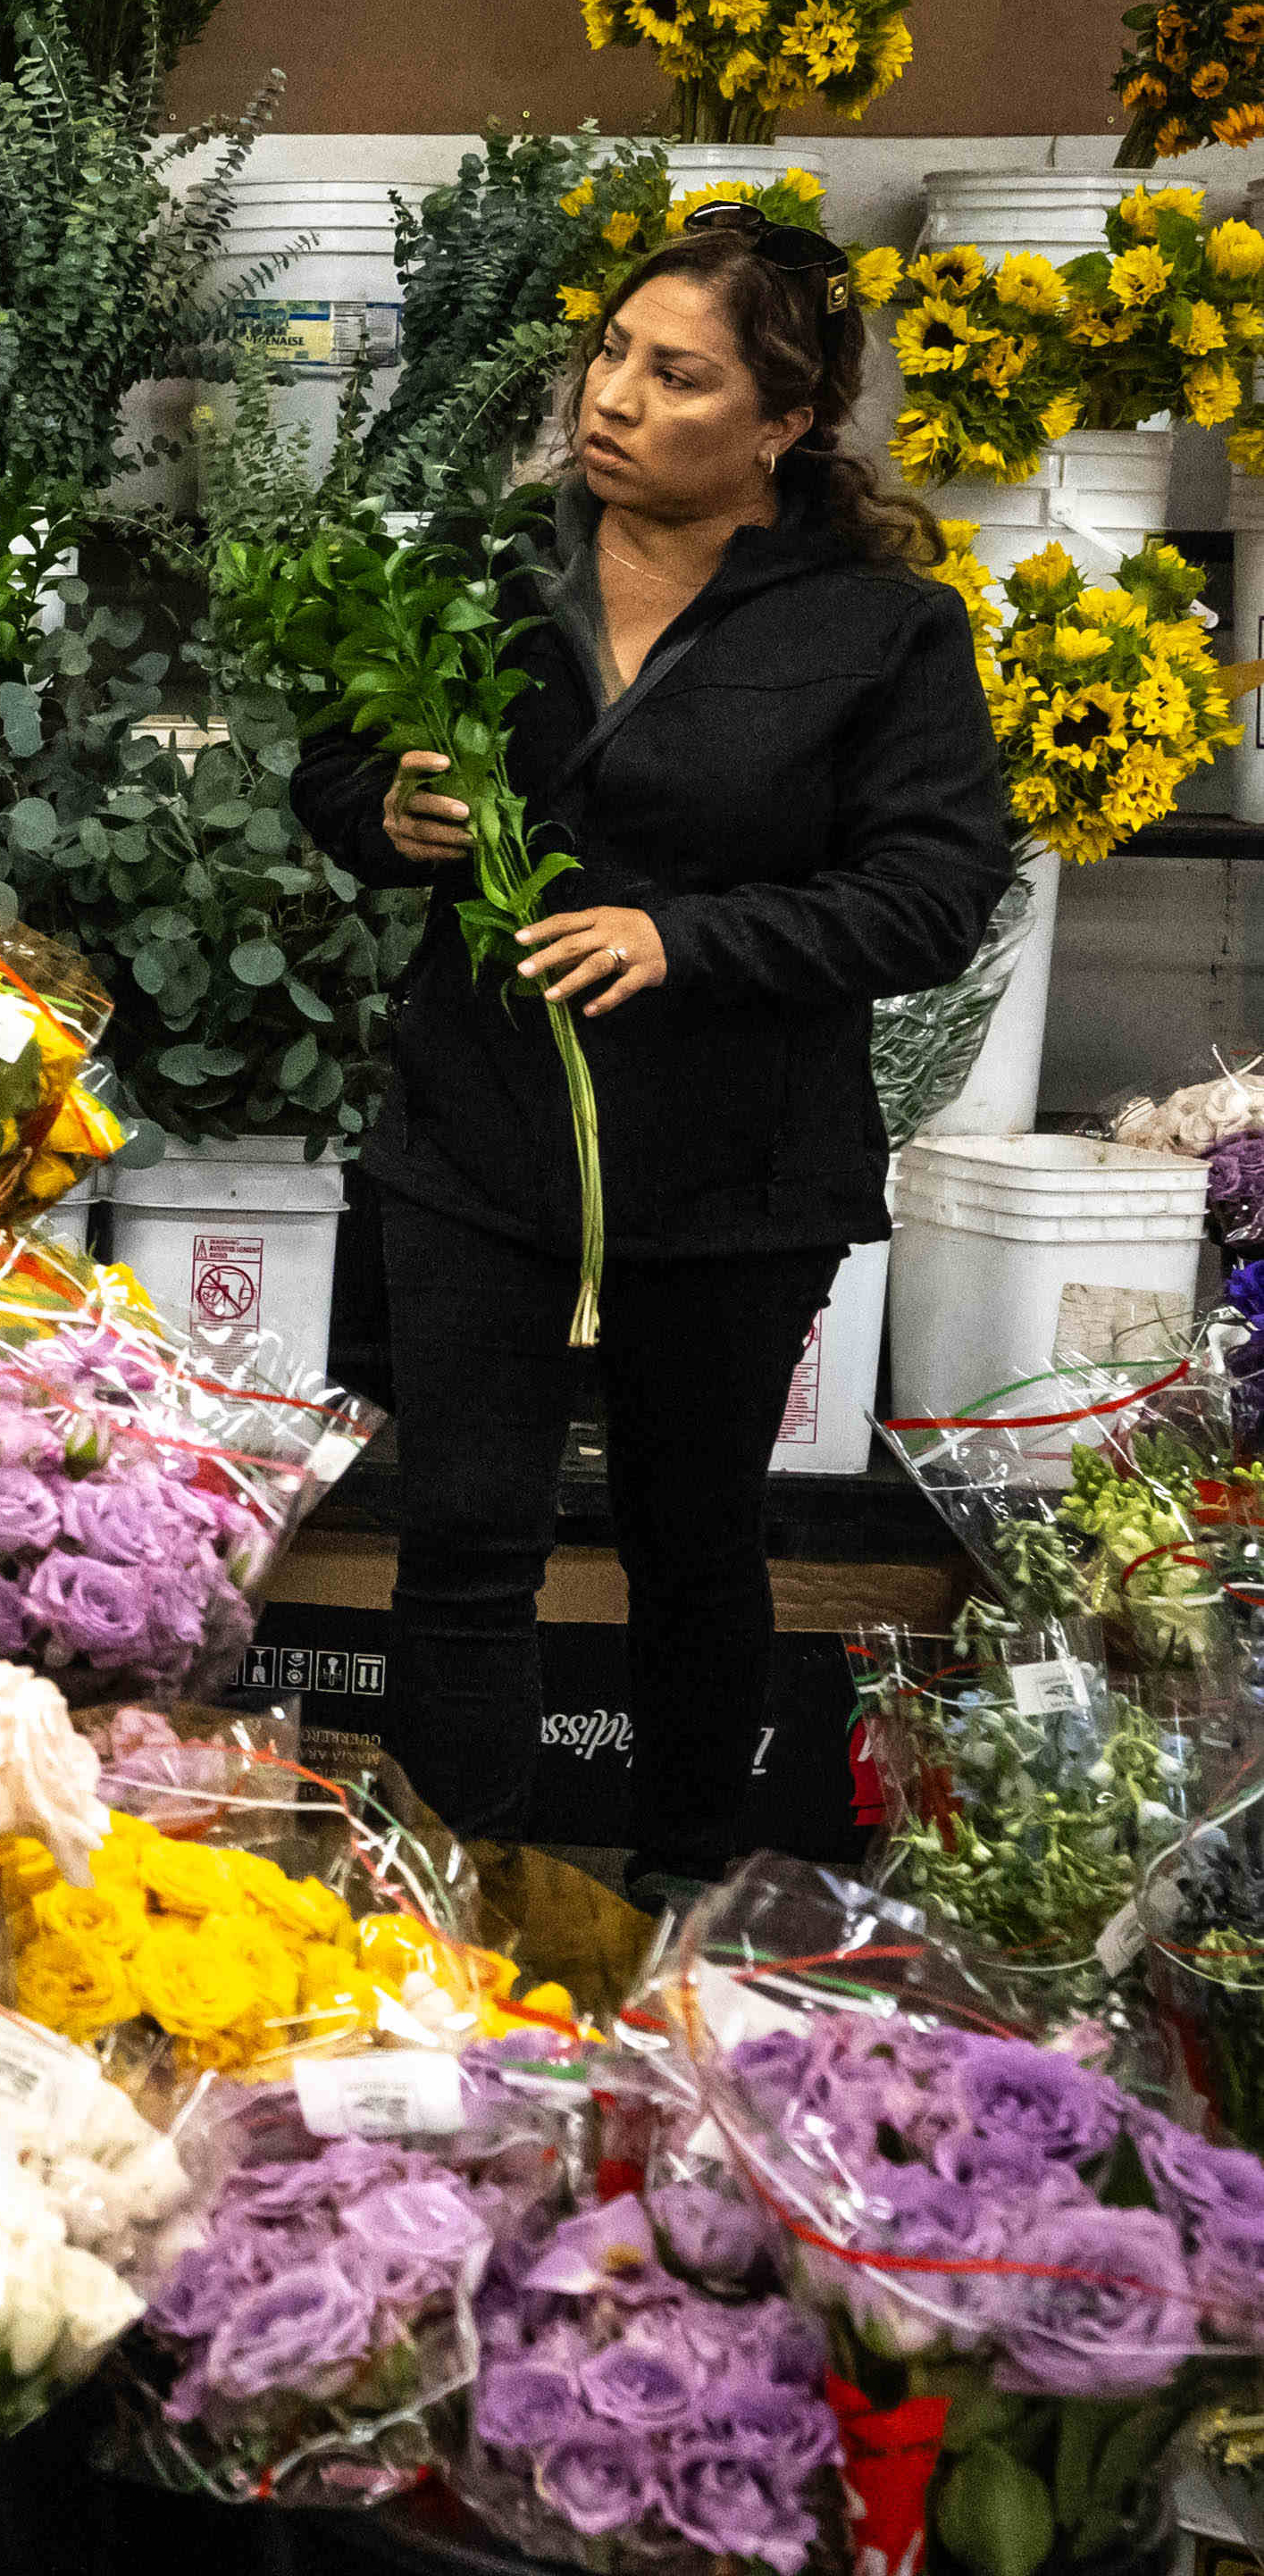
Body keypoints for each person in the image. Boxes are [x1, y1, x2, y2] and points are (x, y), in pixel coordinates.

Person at [293, 205, 1008, 1900]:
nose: (608, 396)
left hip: (728, 1171)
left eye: (671, 374)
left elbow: (929, 895)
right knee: (462, 1536)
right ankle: (447, 1914)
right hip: (476, 1137)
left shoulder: (874, 628)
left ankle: (686, 1904)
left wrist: (682, 938)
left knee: (695, 1549)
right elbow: (326, 776)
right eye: (607, 353)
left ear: (777, 425)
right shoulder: (483, 575)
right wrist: (381, 813)